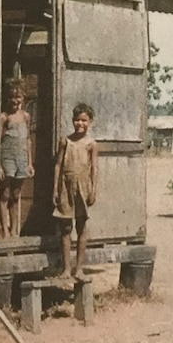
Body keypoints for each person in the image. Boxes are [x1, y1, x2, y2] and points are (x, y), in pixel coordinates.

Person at [52, 103, 98, 280]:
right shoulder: (66, 141)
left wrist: (93, 190)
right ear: (72, 121)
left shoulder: (91, 144)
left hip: (82, 188)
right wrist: (55, 189)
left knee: (81, 226)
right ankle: (66, 268)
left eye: (84, 120)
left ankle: (79, 268)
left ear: (90, 122)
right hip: (65, 186)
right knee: (66, 228)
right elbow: (58, 165)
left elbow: (94, 168)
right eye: (77, 120)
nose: (80, 123)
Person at [0, 81, 34, 238]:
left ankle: (14, 230)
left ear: (23, 98)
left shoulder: (26, 116)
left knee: (16, 193)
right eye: (12, 97)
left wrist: (30, 162)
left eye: (18, 97)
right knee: (5, 193)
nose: (15, 101)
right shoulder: (3, 117)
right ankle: (4, 230)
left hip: (21, 157)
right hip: (7, 156)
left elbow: (27, 140)